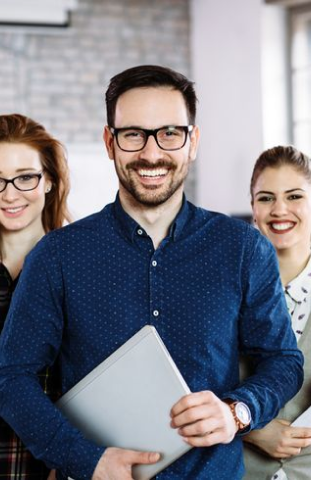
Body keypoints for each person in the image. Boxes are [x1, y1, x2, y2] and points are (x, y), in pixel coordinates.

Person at [0, 66, 304, 480]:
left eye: (170, 133)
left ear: (192, 141)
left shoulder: (244, 248)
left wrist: (237, 411)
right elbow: (11, 376)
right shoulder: (57, 255)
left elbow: (282, 361)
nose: (151, 153)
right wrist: (86, 458)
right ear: (110, 142)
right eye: (133, 134)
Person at [0, 113, 71, 479]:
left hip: (52, 469)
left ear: (49, 181)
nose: (10, 194)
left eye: (25, 177)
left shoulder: (80, 270)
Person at [243, 145, 311, 480]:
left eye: (294, 196)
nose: (280, 209)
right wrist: (249, 427)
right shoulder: (226, 290)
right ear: (253, 209)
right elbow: (192, 382)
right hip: (239, 471)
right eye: (266, 198)